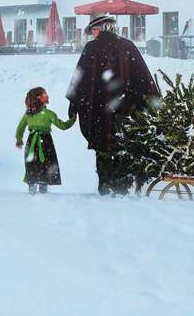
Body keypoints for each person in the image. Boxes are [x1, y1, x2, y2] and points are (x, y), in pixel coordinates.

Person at [66, 14, 158, 195]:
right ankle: (121, 184)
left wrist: (75, 103)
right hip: (125, 108)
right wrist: (149, 100)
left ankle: (105, 183)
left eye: (93, 30)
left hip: (98, 109)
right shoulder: (127, 46)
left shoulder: (92, 48)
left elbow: (80, 77)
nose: (92, 34)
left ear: (101, 28)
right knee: (122, 145)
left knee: (103, 146)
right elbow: (143, 77)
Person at [15, 86, 75, 194]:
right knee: (46, 164)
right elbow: (63, 126)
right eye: (44, 94)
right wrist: (73, 119)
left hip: (31, 142)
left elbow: (20, 127)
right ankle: (43, 189)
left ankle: (32, 188)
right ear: (39, 98)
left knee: (32, 164)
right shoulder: (49, 114)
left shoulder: (28, 114)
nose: (47, 96)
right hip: (45, 142)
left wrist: (19, 139)